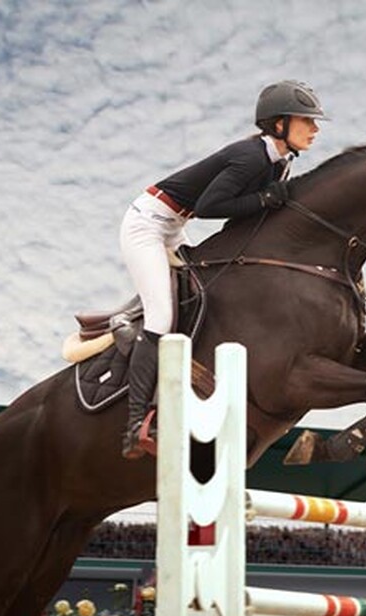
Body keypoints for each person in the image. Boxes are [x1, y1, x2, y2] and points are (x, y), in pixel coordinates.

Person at [119, 80, 327, 459]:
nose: (315, 128)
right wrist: (265, 198)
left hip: (173, 227)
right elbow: (210, 206)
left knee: (206, 292)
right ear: (278, 123)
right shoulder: (251, 157)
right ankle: (135, 425)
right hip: (147, 224)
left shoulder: (278, 163)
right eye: (307, 120)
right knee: (162, 315)